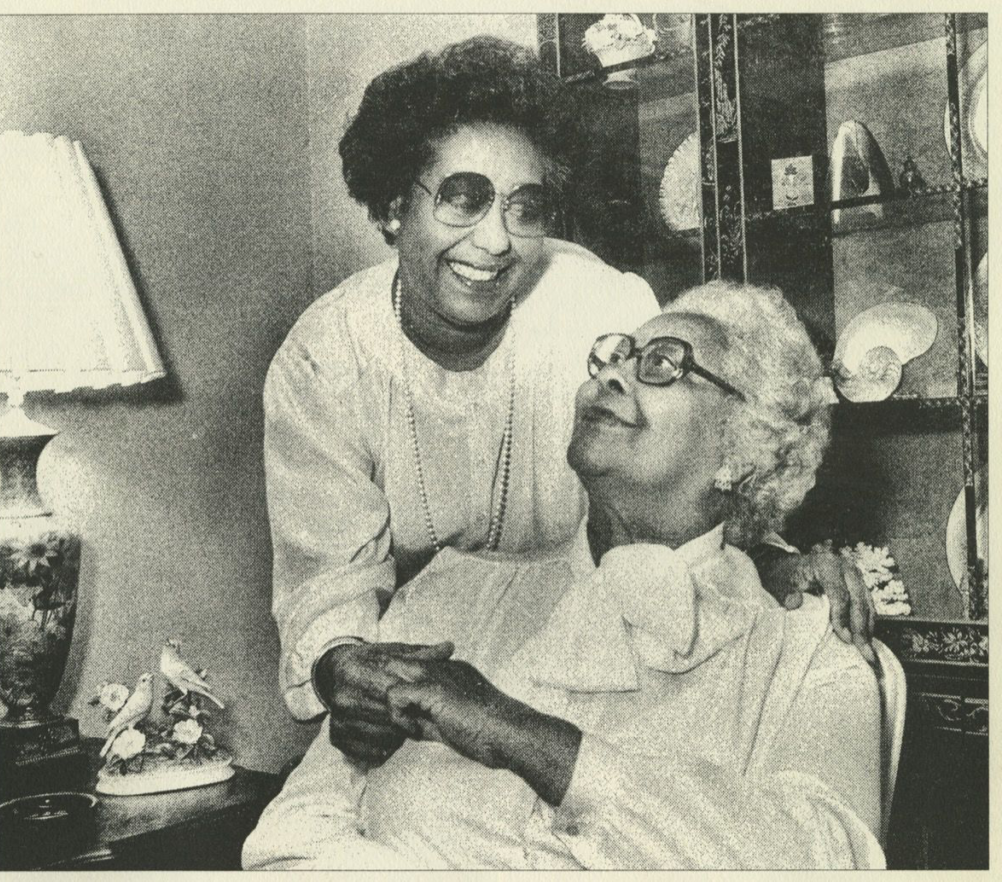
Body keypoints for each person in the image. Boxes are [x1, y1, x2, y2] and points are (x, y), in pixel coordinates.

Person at [265, 35, 875, 766]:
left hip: (605, 656)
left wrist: (763, 561)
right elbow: (325, 588)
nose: (495, 241)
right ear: (396, 204)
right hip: (432, 679)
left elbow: (689, 461)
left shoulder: (597, 305)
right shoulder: (326, 358)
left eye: (526, 208)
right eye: (463, 199)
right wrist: (343, 667)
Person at [244, 281, 885, 869]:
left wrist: (524, 737)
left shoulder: (809, 649)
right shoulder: (450, 594)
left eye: (660, 363)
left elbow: (834, 859)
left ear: (742, 446)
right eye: (611, 356)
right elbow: (289, 836)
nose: (608, 376)